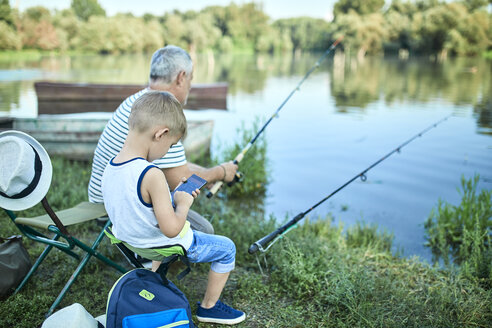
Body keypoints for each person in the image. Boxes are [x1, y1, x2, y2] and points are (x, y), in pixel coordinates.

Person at [101, 91, 246, 325]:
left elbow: (137, 205)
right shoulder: (152, 174)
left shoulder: (112, 166)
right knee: (227, 249)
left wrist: (170, 197)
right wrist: (183, 203)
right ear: (161, 134)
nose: (167, 152)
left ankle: (154, 277)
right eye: (170, 146)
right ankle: (209, 307)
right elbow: (172, 229)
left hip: (132, 242)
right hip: (165, 243)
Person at [88, 45, 238, 234]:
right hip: (113, 210)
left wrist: (206, 173)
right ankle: (156, 261)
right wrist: (220, 172)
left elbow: (174, 167)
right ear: (181, 77)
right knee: (204, 230)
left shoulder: (142, 103)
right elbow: (181, 183)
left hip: (102, 198)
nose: (190, 86)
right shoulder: (164, 116)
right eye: (191, 80)